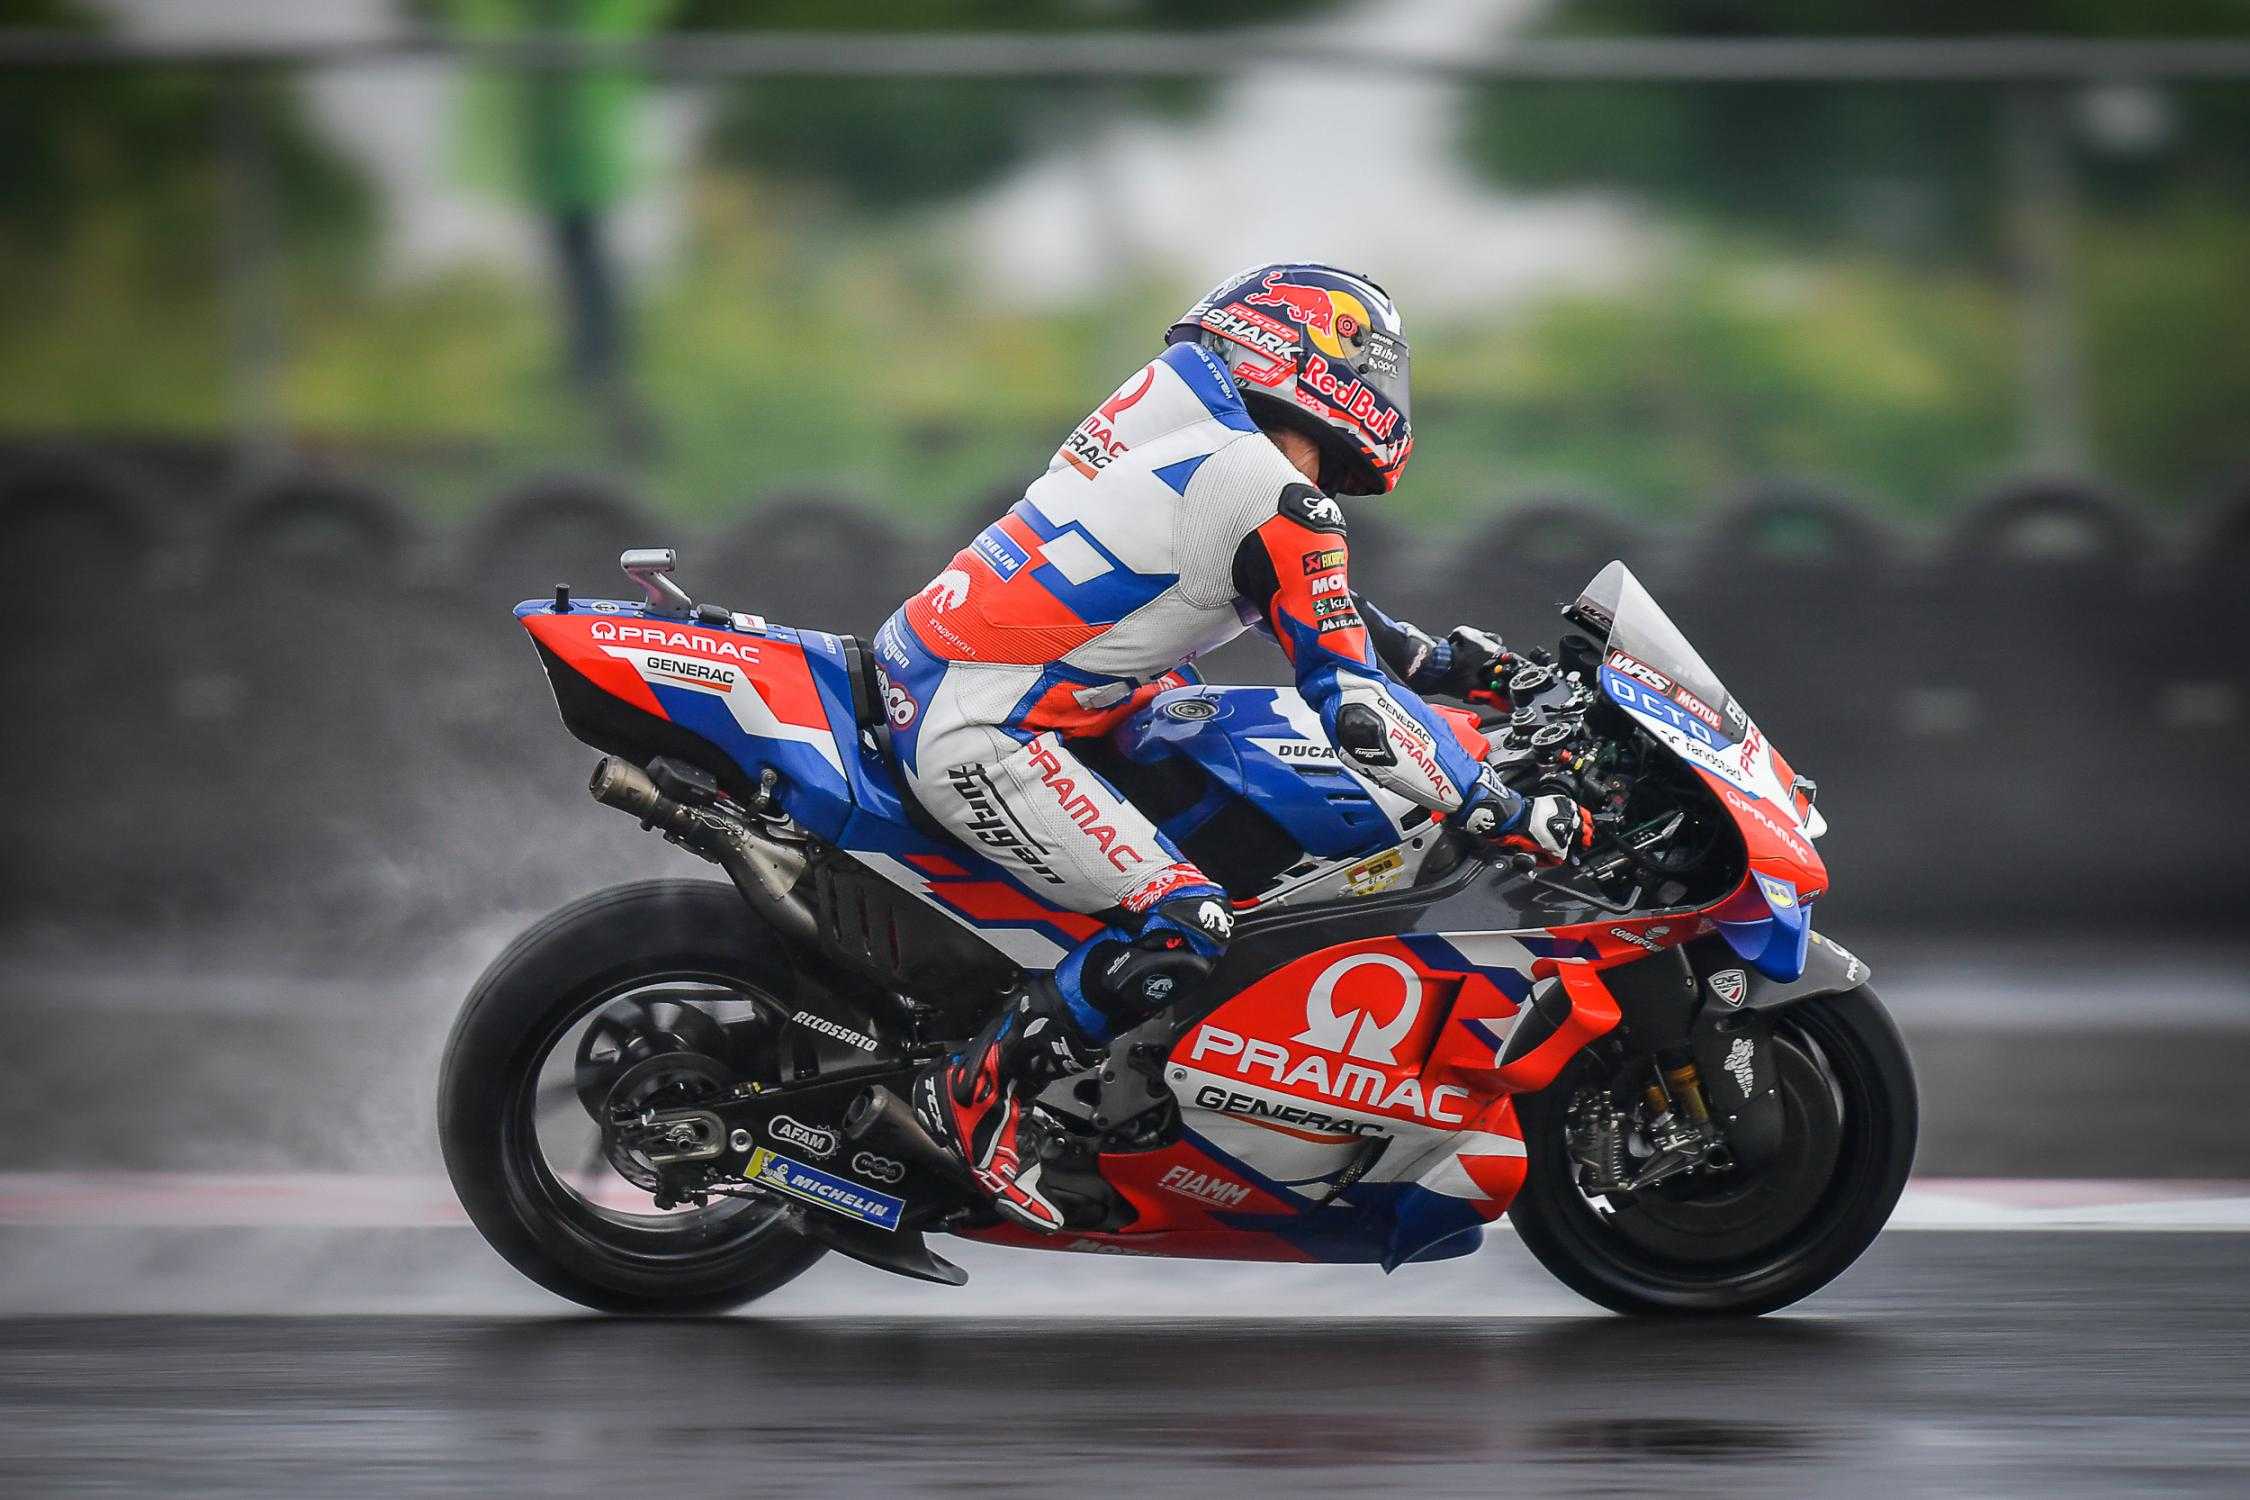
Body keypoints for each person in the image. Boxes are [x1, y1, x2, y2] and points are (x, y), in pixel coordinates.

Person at [875, 263, 1591, 1231]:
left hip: (972, 686)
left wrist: (1482, 673)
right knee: (1182, 923)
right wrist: (1490, 802)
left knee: (1209, 760)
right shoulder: (1265, 488)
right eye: (1375, 371)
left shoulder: (1187, 427)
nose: (1379, 408)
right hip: (987, 726)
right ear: (1312, 357)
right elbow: (1358, 709)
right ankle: (964, 1104)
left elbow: (1323, 616)